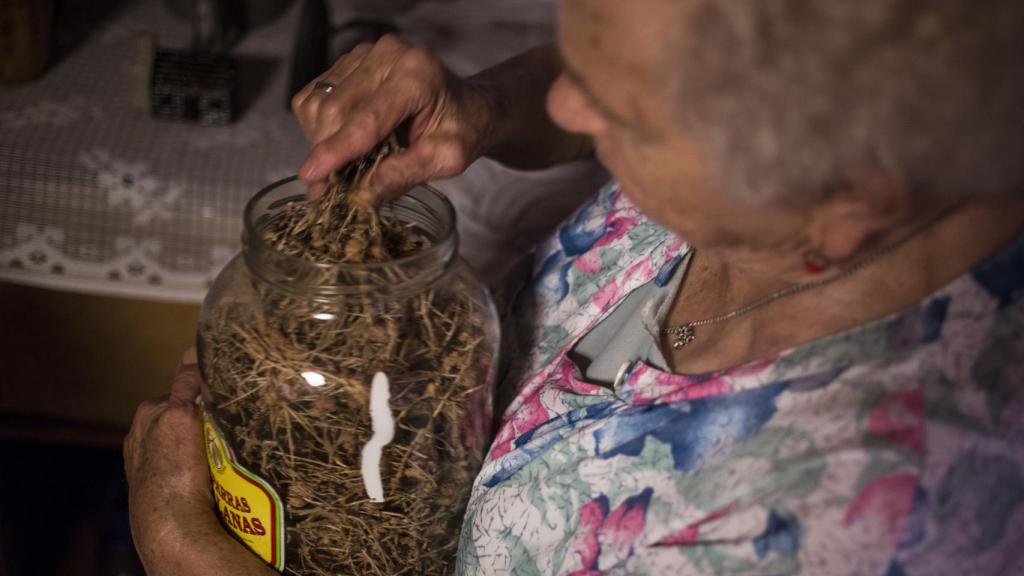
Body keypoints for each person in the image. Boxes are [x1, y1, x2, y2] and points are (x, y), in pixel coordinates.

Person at [125, 1, 1024, 574]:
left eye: (623, 113)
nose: (567, 107)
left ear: (845, 203)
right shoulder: (794, 153)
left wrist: (184, 552)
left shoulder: (828, 524)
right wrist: (492, 105)